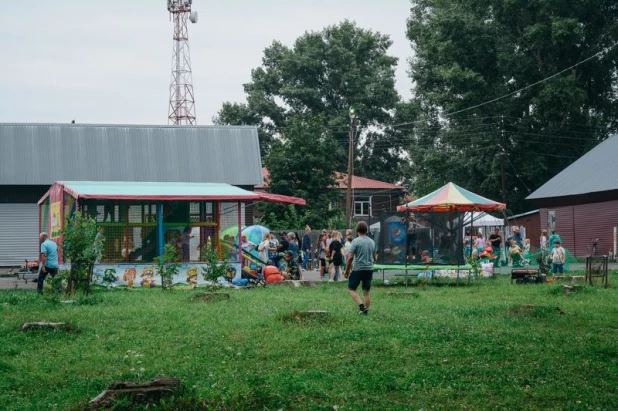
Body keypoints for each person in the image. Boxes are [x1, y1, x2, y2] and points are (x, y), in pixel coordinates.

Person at [344, 221, 377, 315]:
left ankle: (362, 306)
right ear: (366, 230)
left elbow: (350, 257)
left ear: (357, 230)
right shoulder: (372, 242)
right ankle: (365, 311)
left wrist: (346, 270)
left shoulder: (355, 241)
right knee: (366, 291)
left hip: (358, 268)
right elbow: (375, 257)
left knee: (351, 288)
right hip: (369, 269)